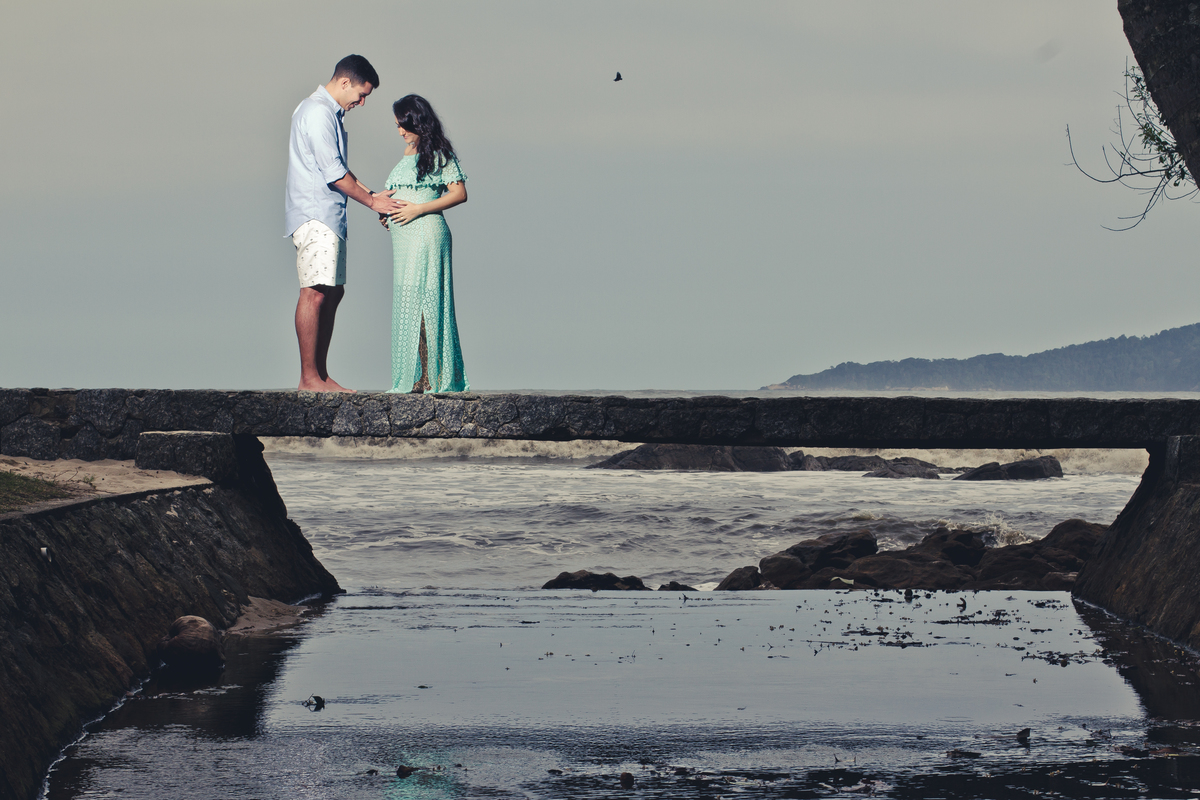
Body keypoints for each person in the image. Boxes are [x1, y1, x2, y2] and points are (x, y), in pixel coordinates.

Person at [285, 54, 405, 392]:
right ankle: (309, 378)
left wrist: (373, 195)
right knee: (315, 292)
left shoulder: (328, 115)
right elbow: (334, 173)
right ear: (344, 82)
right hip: (315, 213)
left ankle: (320, 375)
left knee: (333, 291)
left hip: (330, 214)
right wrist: (371, 202)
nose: (362, 103)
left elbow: (340, 168)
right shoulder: (317, 112)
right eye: (361, 94)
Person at [382, 94, 469, 393]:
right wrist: (388, 213)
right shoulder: (407, 152)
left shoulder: (439, 153)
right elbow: (402, 193)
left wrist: (417, 209)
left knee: (426, 304)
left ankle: (433, 375)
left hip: (427, 234)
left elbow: (459, 194)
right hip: (404, 242)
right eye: (397, 126)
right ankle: (420, 374)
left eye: (404, 125)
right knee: (410, 303)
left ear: (418, 121)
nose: (400, 131)